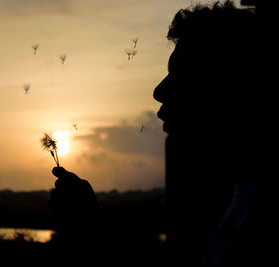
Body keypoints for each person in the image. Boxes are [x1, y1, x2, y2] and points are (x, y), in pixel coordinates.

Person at [48, 1, 270, 266]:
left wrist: (90, 233)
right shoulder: (228, 203)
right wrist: (92, 227)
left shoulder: (257, 220)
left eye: (183, 74)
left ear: (233, 87)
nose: (158, 91)